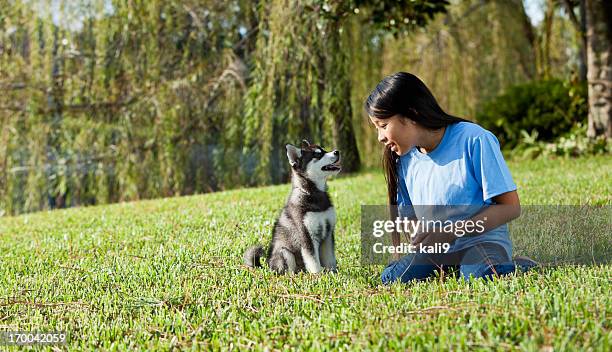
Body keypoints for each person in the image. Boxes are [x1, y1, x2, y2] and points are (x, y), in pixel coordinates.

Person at [365, 72, 538, 284]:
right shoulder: (405, 158)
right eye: (377, 128)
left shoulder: (474, 139)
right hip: (438, 249)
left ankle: (520, 265)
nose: (380, 137)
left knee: (482, 278)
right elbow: (408, 216)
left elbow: (510, 207)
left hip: (480, 242)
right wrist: (419, 233)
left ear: (411, 113)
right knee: (394, 278)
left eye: (383, 125)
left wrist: (449, 232)